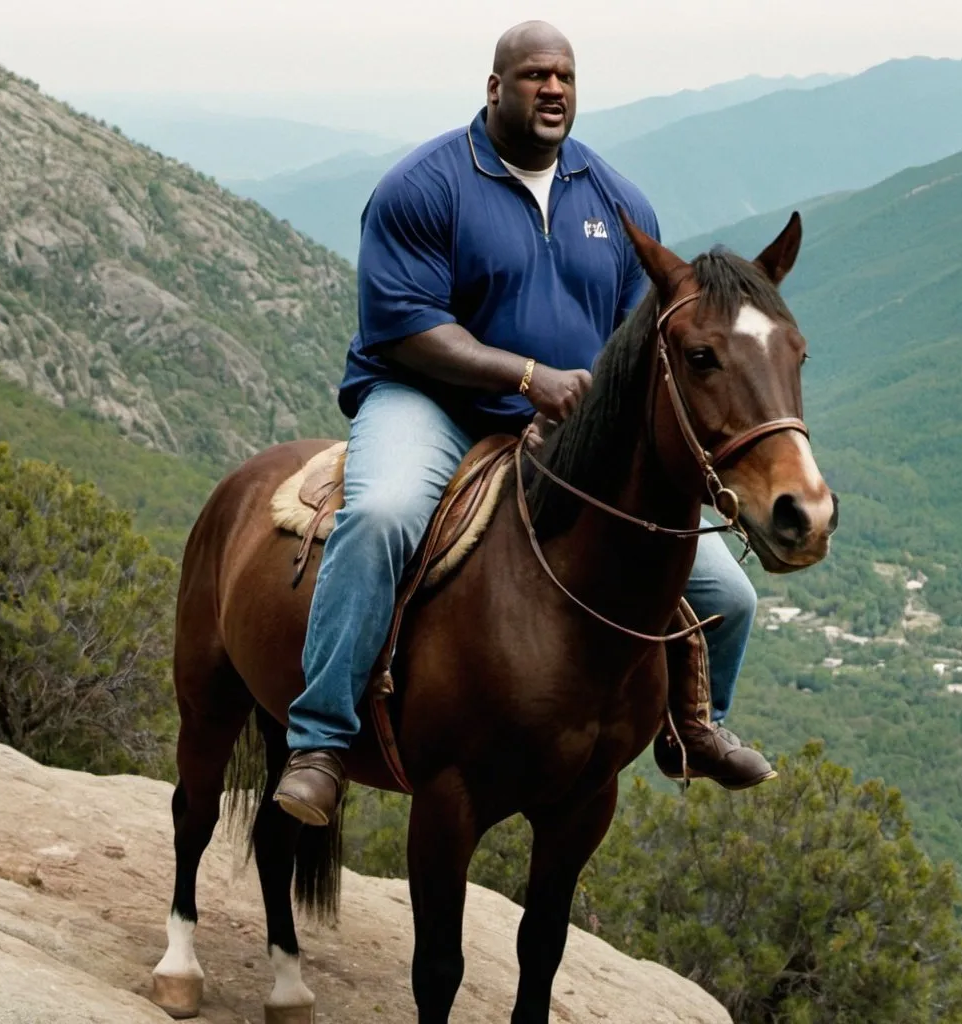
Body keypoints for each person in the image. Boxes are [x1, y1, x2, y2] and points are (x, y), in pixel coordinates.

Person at [274, 20, 773, 826]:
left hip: (568, 425)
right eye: (536, 74)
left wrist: (605, 429)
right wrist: (526, 378)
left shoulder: (617, 201)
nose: (553, 89)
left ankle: (694, 728)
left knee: (728, 594)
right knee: (382, 515)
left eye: (566, 77)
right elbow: (403, 327)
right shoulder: (427, 185)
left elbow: (637, 347)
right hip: (430, 403)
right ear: (495, 88)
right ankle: (321, 740)